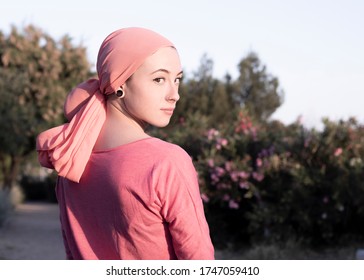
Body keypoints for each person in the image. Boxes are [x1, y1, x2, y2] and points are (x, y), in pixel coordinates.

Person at [36, 27, 215, 260]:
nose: (174, 94)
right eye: (159, 79)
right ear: (119, 83)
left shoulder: (69, 158)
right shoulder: (167, 162)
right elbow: (199, 260)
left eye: (177, 79)